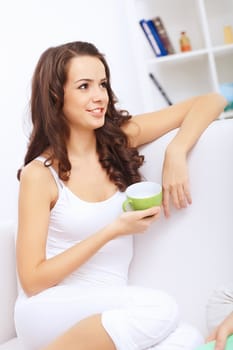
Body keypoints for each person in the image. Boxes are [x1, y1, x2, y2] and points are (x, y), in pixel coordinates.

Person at [14, 40, 226, 350]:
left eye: (102, 84)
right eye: (84, 86)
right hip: (49, 309)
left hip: (109, 311)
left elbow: (212, 100)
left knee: (188, 338)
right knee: (160, 308)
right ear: (56, 95)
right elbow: (33, 280)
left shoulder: (119, 140)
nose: (99, 96)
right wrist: (113, 230)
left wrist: (177, 150)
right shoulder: (40, 174)